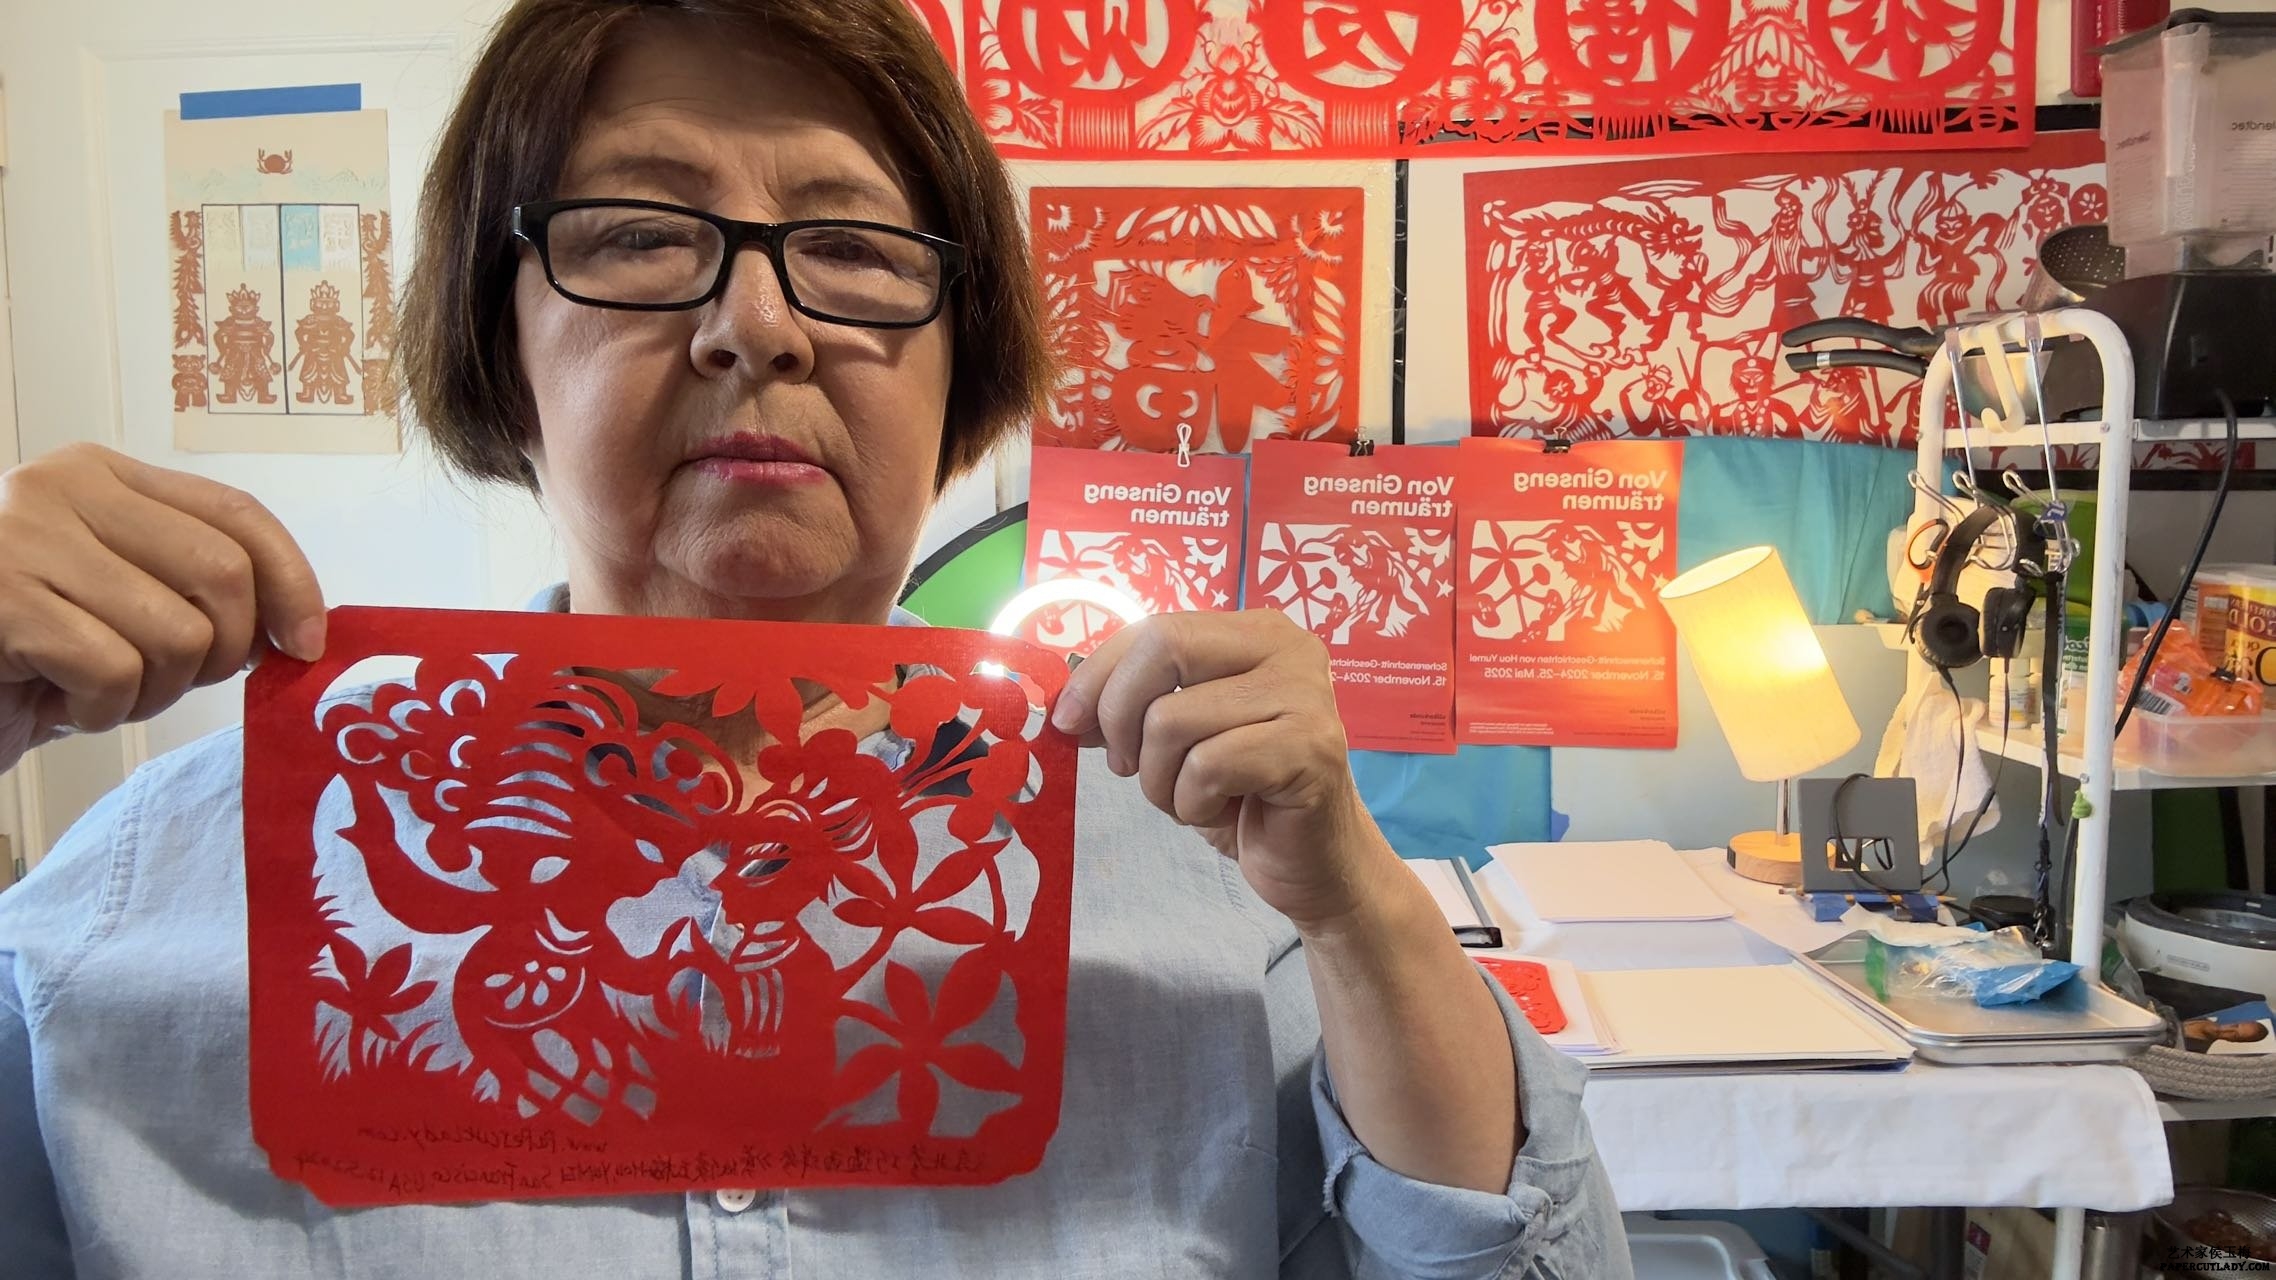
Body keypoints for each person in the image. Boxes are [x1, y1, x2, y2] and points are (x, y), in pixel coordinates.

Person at [0, 1, 1624, 1276]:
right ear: (499, 350)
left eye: (851, 248)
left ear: (960, 363)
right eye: (638, 234)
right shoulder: (126, 919)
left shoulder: (1221, 889)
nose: (758, 323)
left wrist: (1360, 907)